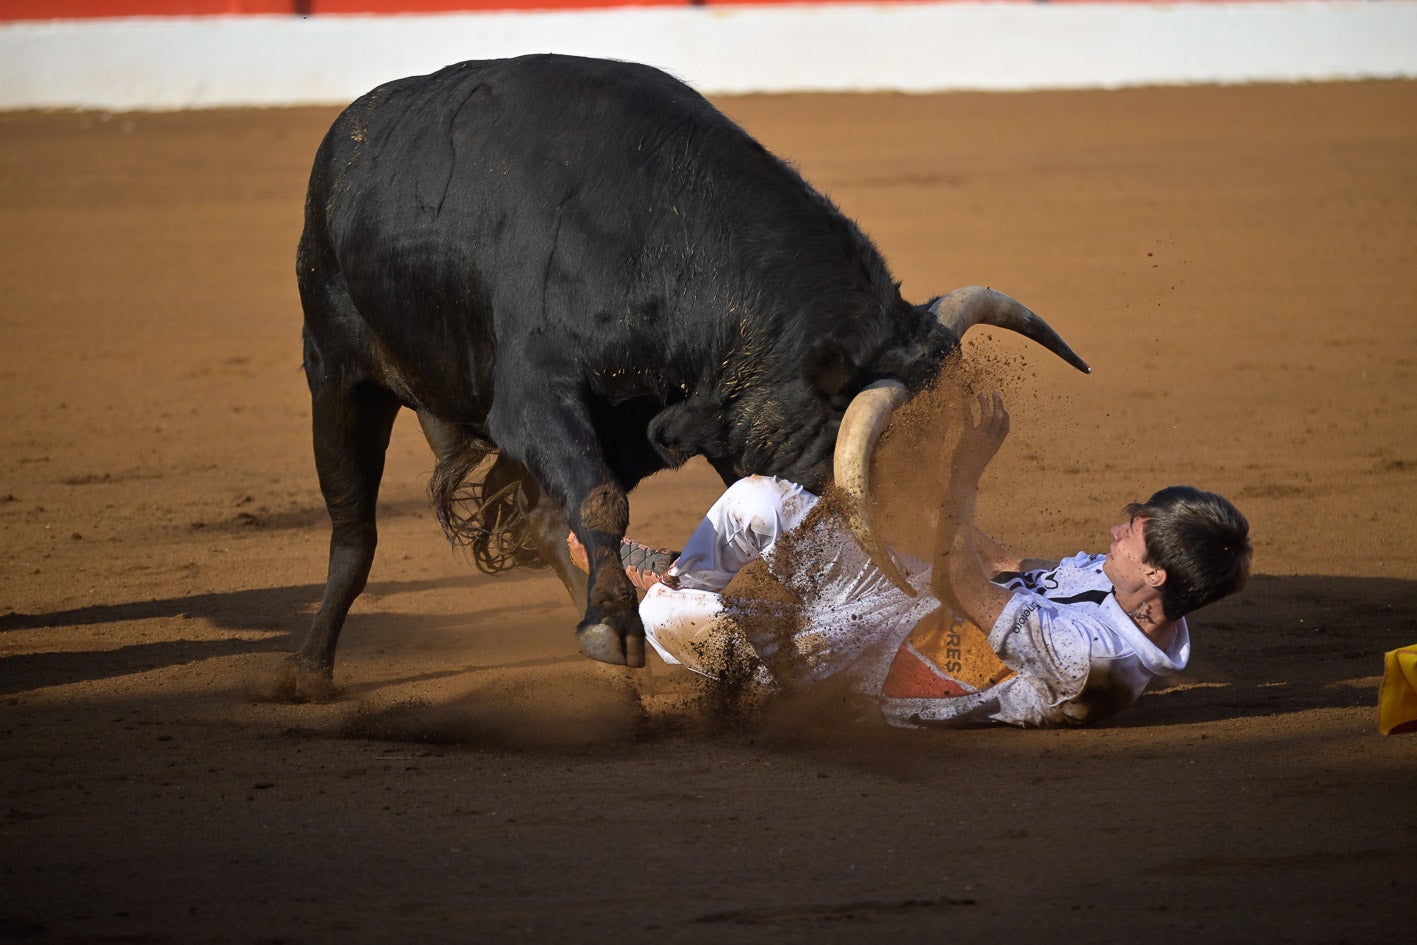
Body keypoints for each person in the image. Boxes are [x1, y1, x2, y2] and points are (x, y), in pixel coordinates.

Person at [574, 393, 1252, 727]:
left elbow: (963, 585)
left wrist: (965, 473)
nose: (1112, 531)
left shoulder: (1094, 664)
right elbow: (1005, 564)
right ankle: (677, 573)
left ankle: (659, 593)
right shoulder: (1117, 589)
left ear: (1155, 575)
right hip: (900, 595)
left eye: (1129, 532)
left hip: (868, 668)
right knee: (759, 502)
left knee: (671, 617)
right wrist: (931, 485)